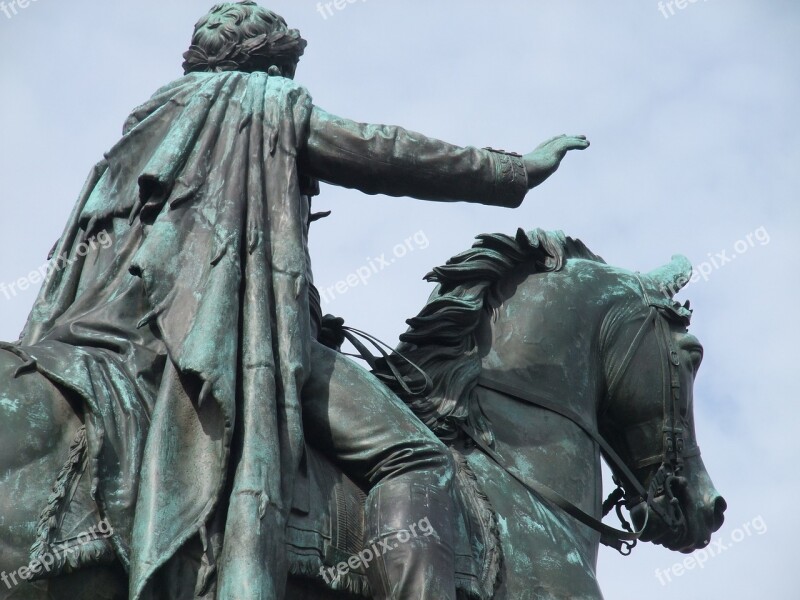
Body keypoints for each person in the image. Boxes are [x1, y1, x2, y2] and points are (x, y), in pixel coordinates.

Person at [17, 2, 589, 598]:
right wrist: (513, 170)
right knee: (419, 460)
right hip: (222, 337)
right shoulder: (259, 103)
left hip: (111, 334)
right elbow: (384, 153)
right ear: (271, 66)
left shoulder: (143, 128)